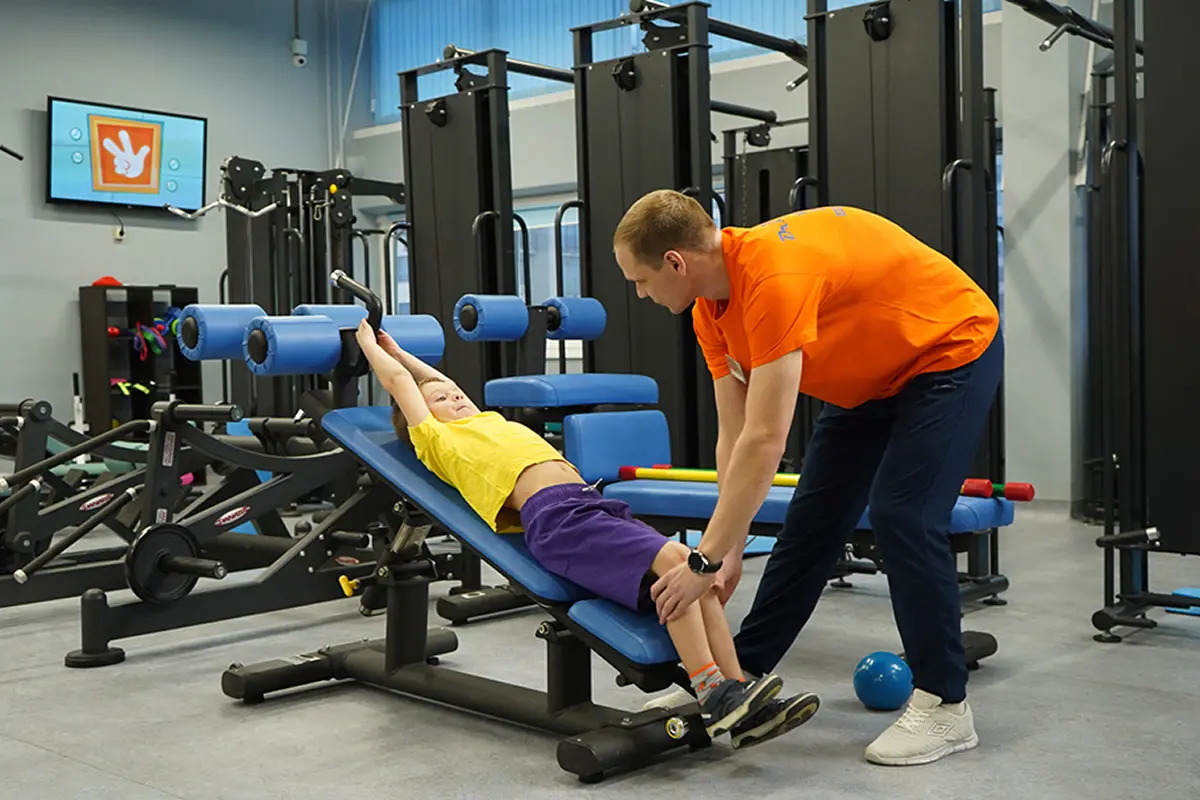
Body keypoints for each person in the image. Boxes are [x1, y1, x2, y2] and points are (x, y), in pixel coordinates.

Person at [612, 190, 1002, 766]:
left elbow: (767, 439)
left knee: (903, 515)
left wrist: (702, 562)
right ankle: (739, 676)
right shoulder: (708, 311)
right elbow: (734, 436)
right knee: (811, 525)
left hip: (947, 349)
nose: (641, 294)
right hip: (869, 379)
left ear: (676, 262)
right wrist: (728, 548)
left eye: (640, 281)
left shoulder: (770, 278)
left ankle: (946, 707)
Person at [353, 319, 821, 748]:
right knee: (677, 564)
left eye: (454, 393)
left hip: (591, 504)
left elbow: (441, 382)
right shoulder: (436, 439)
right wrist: (369, 343)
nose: (454, 397)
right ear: (421, 416)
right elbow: (399, 383)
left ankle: (738, 696)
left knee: (692, 571)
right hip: (558, 519)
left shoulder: (482, 419)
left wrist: (403, 352)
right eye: (439, 400)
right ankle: (710, 689)